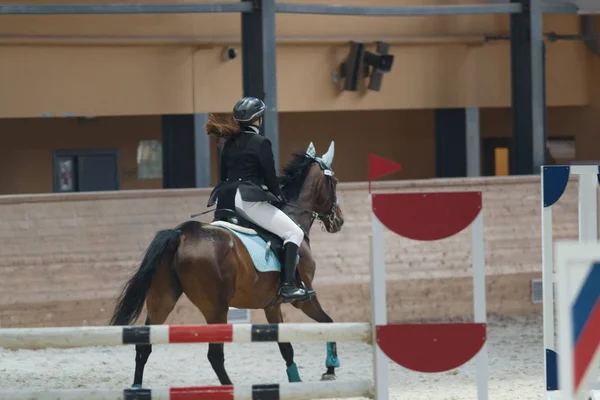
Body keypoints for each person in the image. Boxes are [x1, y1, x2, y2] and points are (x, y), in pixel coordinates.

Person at [206, 97, 310, 303]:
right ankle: (288, 286)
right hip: (247, 200)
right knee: (294, 232)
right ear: (257, 120)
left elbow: (223, 175)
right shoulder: (261, 143)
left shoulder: (227, 143)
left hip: (224, 200)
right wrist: (278, 195)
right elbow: (270, 177)